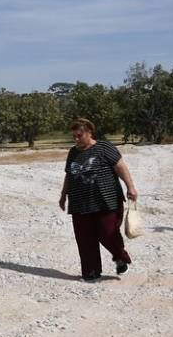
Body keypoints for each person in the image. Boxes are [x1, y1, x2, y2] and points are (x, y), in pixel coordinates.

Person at [58, 118, 137, 281]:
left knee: (108, 233)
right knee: (84, 238)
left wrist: (130, 187)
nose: (76, 139)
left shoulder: (104, 147)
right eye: (74, 136)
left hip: (106, 200)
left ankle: (120, 257)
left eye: (79, 135)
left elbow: (121, 167)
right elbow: (69, 175)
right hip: (80, 203)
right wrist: (63, 195)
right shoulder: (73, 152)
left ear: (89, 133)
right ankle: (91, 271)